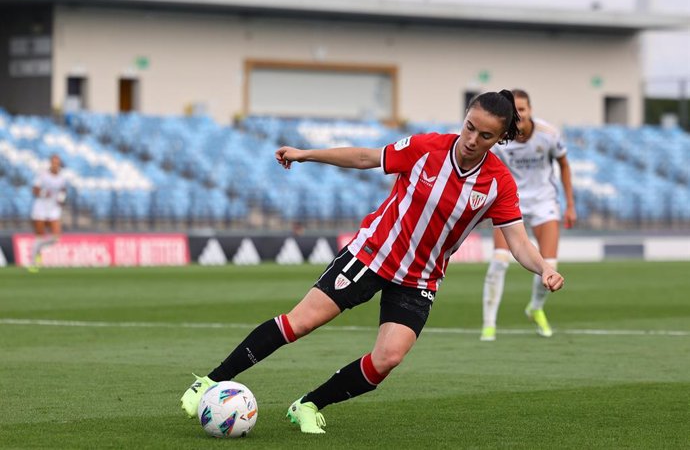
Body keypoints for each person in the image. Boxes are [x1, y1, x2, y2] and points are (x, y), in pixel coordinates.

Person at [180, 90, 565, 434]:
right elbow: (367, 157)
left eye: (485, 136)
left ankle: (309, 405)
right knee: (300, 322)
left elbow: (517, 241)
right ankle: (209, 382)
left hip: (420, 279)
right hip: (370, 255)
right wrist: (306, 154)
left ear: (499, 139)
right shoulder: (426, 147)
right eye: (469, 127)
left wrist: (544, 266)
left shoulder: (499, 182)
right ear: (464, 119)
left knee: (388, 358)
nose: (471, 140)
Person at [480, 89, 575, 341]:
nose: (519, 114)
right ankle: (489, 324)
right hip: (511, 202)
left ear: (530, 110)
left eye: (522, 109)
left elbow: (564, 165)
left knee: (549, 266)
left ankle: (535, 308)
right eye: (515, 110)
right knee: (499, 262)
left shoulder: (549, 135)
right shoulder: (501, 139)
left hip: (544, 202)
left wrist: (570, 205)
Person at [28, 154, 67, 272]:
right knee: (39, 236)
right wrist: (44, 193)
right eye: (54, 162)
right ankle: (33, 262)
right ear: (50, 163)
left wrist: (61, 199)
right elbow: (34, 190)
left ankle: (38, 249)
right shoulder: (42, 175)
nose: (55, 165)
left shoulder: (62, 178)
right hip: (40, 208)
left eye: (57, 163)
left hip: (54, 209)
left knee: (56, 238)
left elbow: (63, 190)